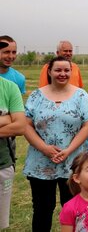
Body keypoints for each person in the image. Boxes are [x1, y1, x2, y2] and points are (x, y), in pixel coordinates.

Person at [23, 56, 88, 231]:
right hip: (41, 163)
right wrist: (45, 149)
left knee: (76, 209)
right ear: (49, 72)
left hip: (74, 162)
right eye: (58, 70)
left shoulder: (81, 95)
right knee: (42, 209)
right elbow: (26, 125)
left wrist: (69, 150)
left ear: (71, 71)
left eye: (66, 70)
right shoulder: (36, 96)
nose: (62, 74)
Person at [0, 40, 26, 231]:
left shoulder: (12, 84)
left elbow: (20, 124)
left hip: (3, 160)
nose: (11, 56)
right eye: (6, 51)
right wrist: (7, 118)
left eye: (14, 52)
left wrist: (12, 119)